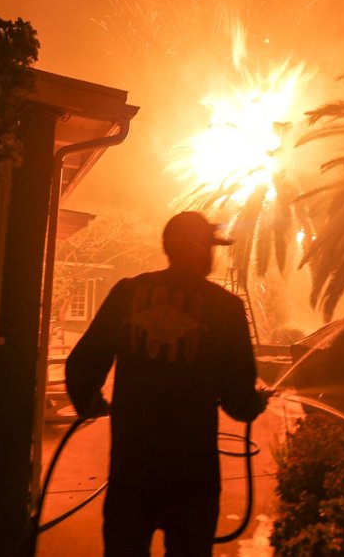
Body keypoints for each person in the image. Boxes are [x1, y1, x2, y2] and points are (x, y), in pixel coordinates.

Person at [65, 211, 270, 556]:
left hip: (132, 473)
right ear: (202, 250)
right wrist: (256, 402)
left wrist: (93, 404)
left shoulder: (128, 293)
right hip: (192, 480)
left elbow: (82, 366)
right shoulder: (225, 308)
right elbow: (238, 403)